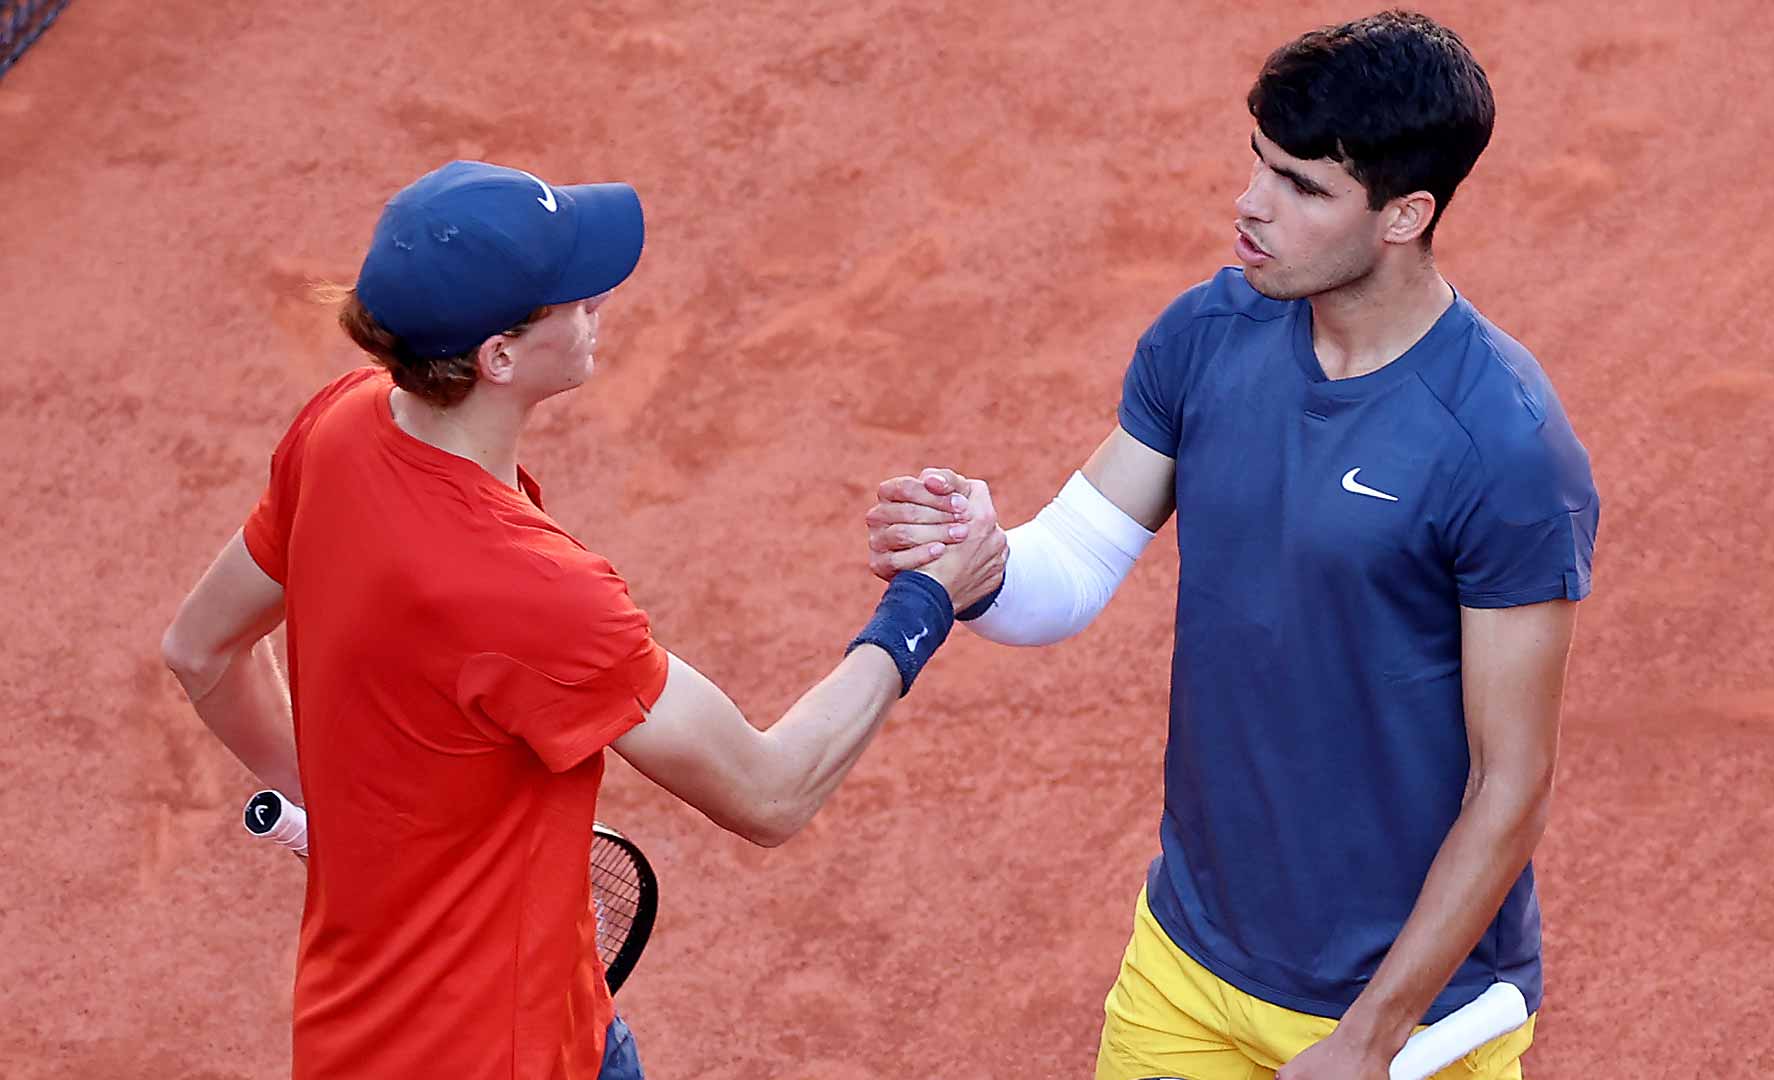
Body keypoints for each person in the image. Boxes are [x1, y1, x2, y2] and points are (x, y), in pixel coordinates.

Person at [864, 11, 1598, 1079]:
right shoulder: (1208, 335)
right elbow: (1065, 573)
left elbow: (1511, 782)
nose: (1251, 205)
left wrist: (1370, 1036)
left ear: (1406, 215)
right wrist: (982, 558)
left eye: (1303, 186)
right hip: (1188, 966)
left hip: (1407, 1016)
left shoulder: (1503, 448)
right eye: (1259, 164)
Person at [160, 160, 1005, 1080]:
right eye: (569, 295)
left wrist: (346, 819)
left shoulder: (340, 429)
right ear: (500, 357)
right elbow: (770, 793)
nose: (598, 298)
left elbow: (200, 650)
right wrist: (925, 602)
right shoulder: (533, 592)